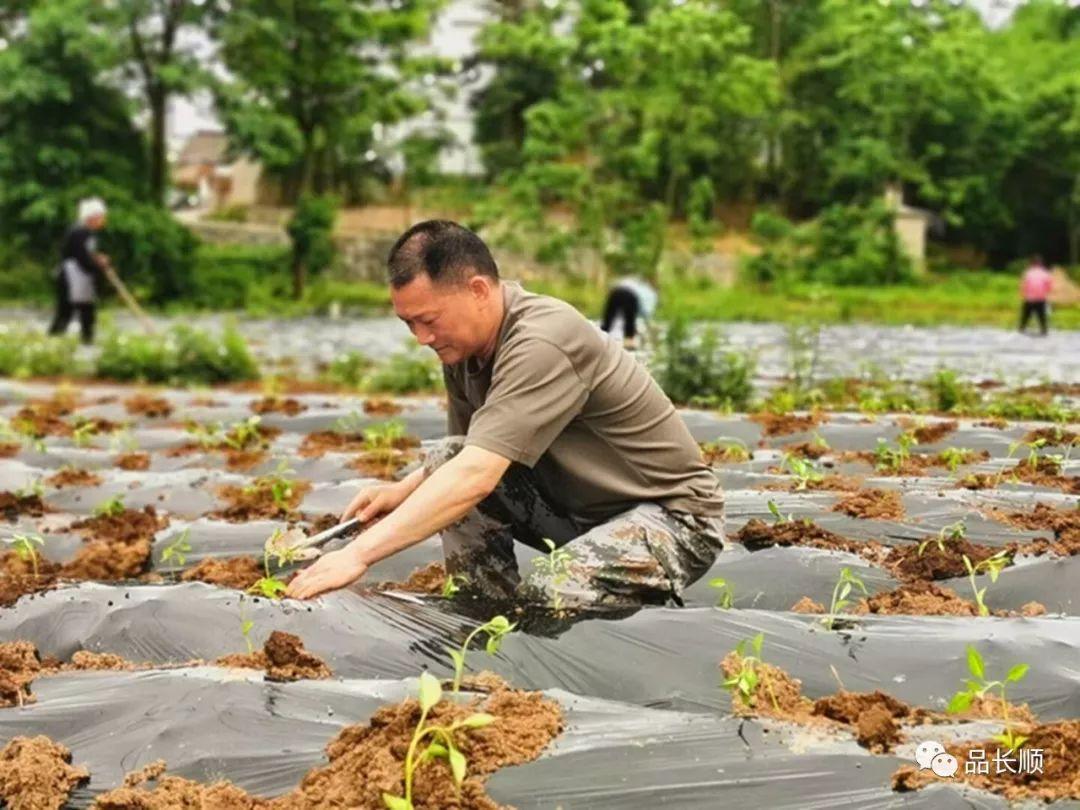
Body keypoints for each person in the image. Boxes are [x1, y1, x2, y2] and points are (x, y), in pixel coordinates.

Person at [287, 220, 724, 608]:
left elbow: (477, 474)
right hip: (586, 514)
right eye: (409, 324)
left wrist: (357, 555)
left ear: (478, 290)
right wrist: (399, 491)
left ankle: (625, 625)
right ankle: (484, 611)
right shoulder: (462, 350)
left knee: (551, 591)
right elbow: (466, 456)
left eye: (428, 320)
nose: (421, 338)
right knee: (444, 460)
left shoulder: (543, 340)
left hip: (671, 517)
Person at [48, 197, 111, 344]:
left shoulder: (88, 233)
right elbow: (82, 258)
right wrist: (98, 266)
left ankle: (87, 341)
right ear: (92, 217)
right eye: (101, 217)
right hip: (71, 277)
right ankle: (52, 343)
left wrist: (99, 259)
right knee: (66, 311)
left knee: (86, 310)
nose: (103, 220)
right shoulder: (79, 232)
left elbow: (89, 254)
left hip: (81, 277)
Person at [600, 276, 658, 348]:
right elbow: (646, 313)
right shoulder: (652, 295)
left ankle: (601, 337)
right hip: (630, 295)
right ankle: (629, 340)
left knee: (608, 318)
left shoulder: (638, 284)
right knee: (629, 319)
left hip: (615, 291)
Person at [1019, 254, 1053, 336]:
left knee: (1025, 317)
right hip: (1041, 300)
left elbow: (1023, 286)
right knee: (1042, 318)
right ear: (1041, 264)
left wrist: (1024, 295)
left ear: (1032, 264)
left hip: (1029, 299)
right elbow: (1049, 288)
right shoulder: (1046, 273)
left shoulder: (1028, 273)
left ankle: (1022, 329)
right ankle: (1044, 330)